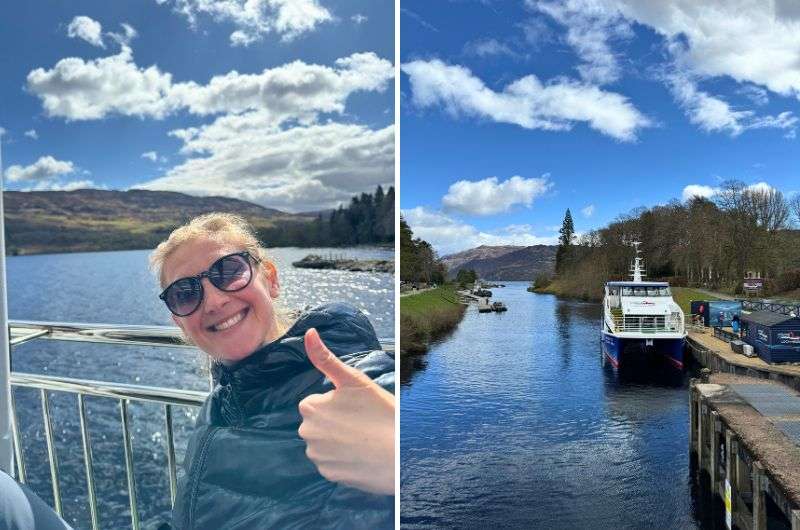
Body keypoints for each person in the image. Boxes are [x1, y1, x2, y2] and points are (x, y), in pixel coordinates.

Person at [150, 213, 395, 529]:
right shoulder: (218, 404)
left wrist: (391, 453)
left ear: (270, 278)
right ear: (179, 322)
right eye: (184, 293)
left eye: (228, 271)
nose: (212, 301)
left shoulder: (350, 382)